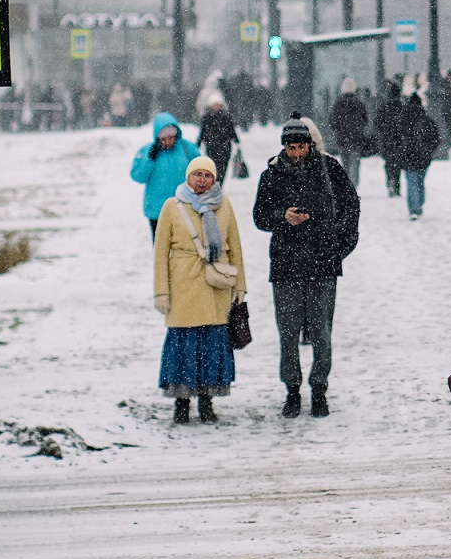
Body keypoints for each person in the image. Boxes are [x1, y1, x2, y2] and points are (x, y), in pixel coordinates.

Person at [252, 112, 361, 417]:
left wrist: (339, 244)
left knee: (321, 332)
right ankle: (292, 389)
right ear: (284, 147)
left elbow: (351, 206)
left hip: (322, 263)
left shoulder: (329, 169)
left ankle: (319, 389)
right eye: (291, 148)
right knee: (287, 333)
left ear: (310, 145)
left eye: (301, 147)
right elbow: (259, 217)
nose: (297, 153)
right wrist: (282, 216)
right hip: (286, 265)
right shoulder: (271, 175)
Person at [152, 155, 245, 423]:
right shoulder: (172, 206)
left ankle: (207, 401)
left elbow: (235, 246)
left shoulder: (224, 204)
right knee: (183, 344)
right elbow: (160, 253)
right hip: (183, 284)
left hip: (216, 286)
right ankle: (181, 402)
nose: (202, 180)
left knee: (211, 343)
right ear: (188, 177)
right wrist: (161, 291)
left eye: (208, 176)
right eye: (197, 175)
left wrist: (241, 286)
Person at [130, 112, 199, 238]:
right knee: (161, 250)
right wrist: (149, 159)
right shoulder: (147, 151)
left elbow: (201, 171)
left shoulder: (188, 149)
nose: (167, 142)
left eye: (171, 137)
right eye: (163, 139)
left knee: (183, 249)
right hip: (157, 211)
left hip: (185, 208)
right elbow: (138, 176)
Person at [398, 80, 441, 220]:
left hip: (408, 155)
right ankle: (419, 204)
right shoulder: (426, 120)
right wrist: (429, 150)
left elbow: (397, 137)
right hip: (423, 156)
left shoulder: (404, 119)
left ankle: (414, 209)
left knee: (411, 182)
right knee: (420, 181)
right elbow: (435, 137)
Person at [329, 78, 369, 186]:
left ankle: (346, 185)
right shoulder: (359, 102)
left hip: (342, 138)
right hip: (356, 139)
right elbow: (365, 120)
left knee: (345, 163)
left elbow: (333, 120)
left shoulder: (338, 103)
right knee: (355, 163)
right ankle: (354, 184)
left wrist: (340, 130)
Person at [197, 96, 240, 180]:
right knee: (212, 168)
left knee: (222, 168)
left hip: (224, 148)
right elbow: (203, 132)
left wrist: (236, 140)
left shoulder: (226, 117)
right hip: (211, 147)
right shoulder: (207, 118)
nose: (216, 107)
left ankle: (219, 185)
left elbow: (231, 131)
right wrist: (198, 143)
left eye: (218, 105)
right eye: (215, 105)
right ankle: (213, 184)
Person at [377, 83, 404, 197]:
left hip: (387, 139)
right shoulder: (402, 106)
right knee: (397, 163)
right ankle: (396, 184)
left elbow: (377, 123)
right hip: (399, 139)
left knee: (389, 162)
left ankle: (390, 181)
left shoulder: (385, 106)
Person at [435, 70, 451, 158]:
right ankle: (446, 141)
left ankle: (448, 140)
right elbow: (448, 99)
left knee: (449, 126)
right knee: (447, 126)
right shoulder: (446, 85)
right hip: (447, 111)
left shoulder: (448, 85)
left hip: (449, 111)